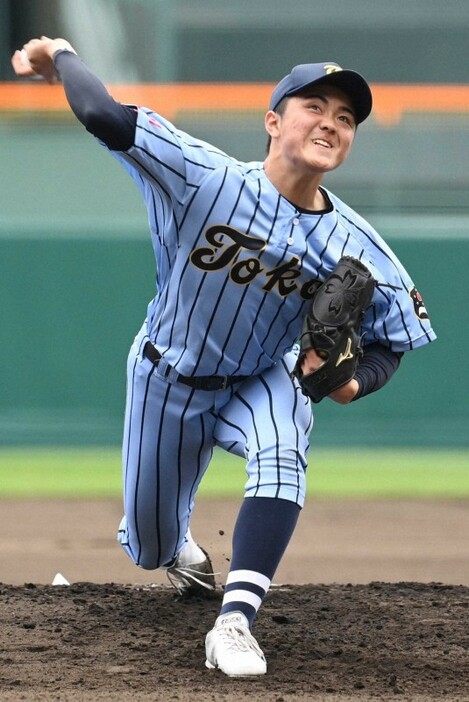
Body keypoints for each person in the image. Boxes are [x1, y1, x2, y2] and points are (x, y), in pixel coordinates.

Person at [12, 38, 435, 677]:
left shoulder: (358, 245)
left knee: (284, 447)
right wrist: (63, 56)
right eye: (313, 106)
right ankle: (175, 545)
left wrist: (355, 384)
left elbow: (394, 339)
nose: (330, 123)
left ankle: (234, 623)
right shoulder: (203, 176)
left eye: (346, 118)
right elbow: (104, 116)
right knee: (150, 546)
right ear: (273, 121)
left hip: (261, 376)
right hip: (165, 374)